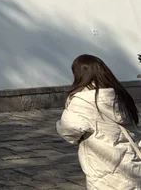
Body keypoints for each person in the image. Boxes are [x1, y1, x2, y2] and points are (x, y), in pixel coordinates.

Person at [56, 54, 141, 189]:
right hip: (132, 161)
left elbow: (69, 130)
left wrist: (59, 124)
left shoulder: (82, 100)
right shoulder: (119, 95)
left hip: (103, 164)